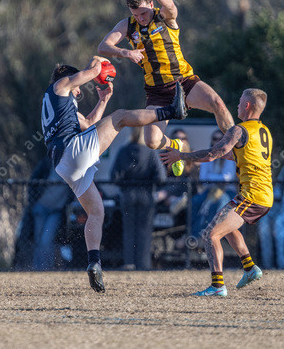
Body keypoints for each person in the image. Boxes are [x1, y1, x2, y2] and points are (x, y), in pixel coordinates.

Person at [41, 56, 187, 292]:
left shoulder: (59, 104)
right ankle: (171, 110)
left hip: (64, 164)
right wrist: (99, 59)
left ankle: (94, 263)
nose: (79, 91)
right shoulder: (60, 85)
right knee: (119, 117)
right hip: (72, 150)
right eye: (76, 86)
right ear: (68, 79)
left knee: (96, 211)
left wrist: (103, 100)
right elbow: (92, 71)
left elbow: (90, 124)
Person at [98, 0, 234, 176]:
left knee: (217, 103)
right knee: (152, 141)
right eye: (136, 15)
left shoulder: (163, 16)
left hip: (183, 81)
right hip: (157, 91)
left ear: (151, 4)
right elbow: (103, 46)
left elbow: (171, 6)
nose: (140, 18)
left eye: (143, 13)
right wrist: (125, 52)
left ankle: (234, 146)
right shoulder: (128, 25)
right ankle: (176, 145)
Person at [161, 89, 272, 296]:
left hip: (252, 196)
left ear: (247, 106)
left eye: (240, 102)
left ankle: (218, 286)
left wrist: (182, 156)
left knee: (210, 234)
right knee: (226, 228)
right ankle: (250, 268)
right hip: (261, 195)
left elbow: (214, 153)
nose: (237, 105)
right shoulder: (263, 130)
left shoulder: (239, 130)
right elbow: (231, 155)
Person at [112, 127, 166, 270]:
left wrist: (126, 184)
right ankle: (144, 264)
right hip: (146, 195)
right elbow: (161, 177)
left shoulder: (123, 151)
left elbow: (114, 176)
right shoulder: (150, 152)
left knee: (128, 230)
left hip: (127, 195)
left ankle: (129, 262)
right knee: (145, 231)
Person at [190, 130, 237, 238]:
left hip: (227, 191)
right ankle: (194, 235)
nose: (217, 142)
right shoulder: (208, 155)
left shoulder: (230, 155)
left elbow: (226, 178)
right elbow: (203, 178)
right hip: (209, 190)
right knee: (195, 201)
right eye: (215, 139)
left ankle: (208, 235)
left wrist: (210, 177)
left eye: (220, 139)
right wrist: (215, 179)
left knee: (216, 203)